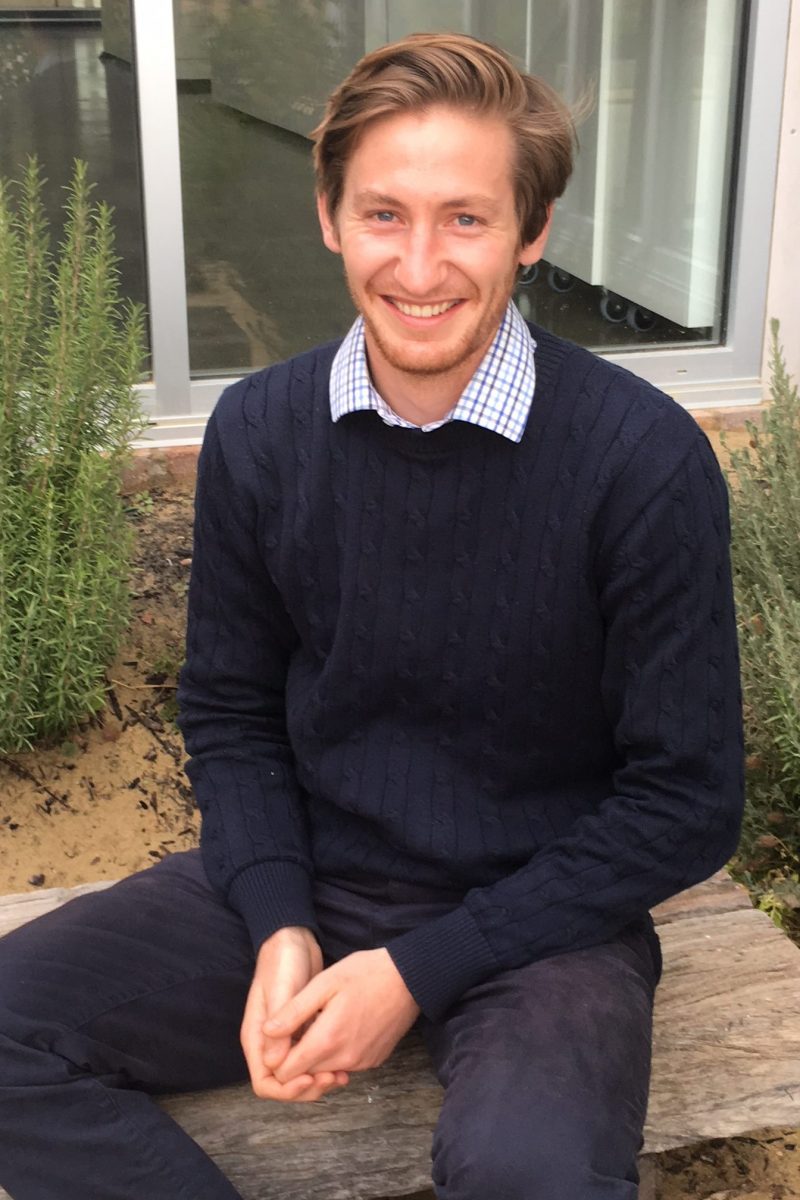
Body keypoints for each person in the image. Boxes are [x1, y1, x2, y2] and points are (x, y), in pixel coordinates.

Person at [0, 31, 744, 1200]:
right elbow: (232, 710)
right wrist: (277, 922)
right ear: (329, 217)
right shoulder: (260, 432)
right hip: (314, 874)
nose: (419, 265)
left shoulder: (638, 462)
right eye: (384, 214)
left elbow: (684, 802)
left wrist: (415, 971)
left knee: (531, 1176)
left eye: (465, 218)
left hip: (546, 916)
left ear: (532, 230)